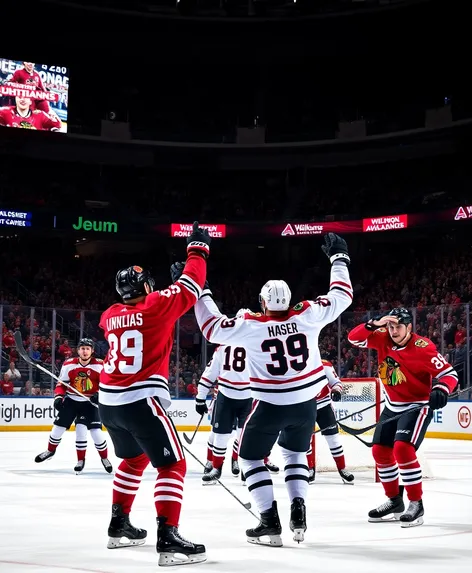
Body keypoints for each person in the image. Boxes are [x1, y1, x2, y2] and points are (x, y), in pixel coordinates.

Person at [177, 233, 353, 546]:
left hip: (268, 405)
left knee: (249, 458)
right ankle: (298, 508)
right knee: (295, 454)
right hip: (305, 404)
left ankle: (269, 521)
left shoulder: (250, 325)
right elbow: (342, 295)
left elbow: (211, 327)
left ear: (262, 302)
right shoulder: (308, 314)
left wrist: (200, 290)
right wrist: (339, 258)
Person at [98, 222, 210, 566]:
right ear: (146, 285)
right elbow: (192, 284)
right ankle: (168, 537)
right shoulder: (157, 304)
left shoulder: (109, 314)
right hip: (141, 399)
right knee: (173, 464)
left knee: (133, 460)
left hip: (109, 402)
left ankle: (119, 525)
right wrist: (197, 248)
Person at [348, 308, 458, 527]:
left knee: (402, 449)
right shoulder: (382, 338)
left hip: (417, 406)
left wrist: (442, 389)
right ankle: (394, 501)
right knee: (380, 451)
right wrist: (374, 324)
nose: (393, 330)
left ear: (409, 327)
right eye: (390, 326)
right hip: (392, 405)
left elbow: (449, 374)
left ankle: (416, 504)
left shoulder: (423, 348)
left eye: (398, 326)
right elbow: (354, 338)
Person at [34, 338, 112, 474]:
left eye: (88, 348)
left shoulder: (100, 365)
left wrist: (99, 393)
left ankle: (104, 458)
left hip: (90, 403)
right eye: (82, 348)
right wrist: (58, 397)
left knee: (96, 433)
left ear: (92, 351)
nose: (85, 351)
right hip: (71, 400)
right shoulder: (69, 364)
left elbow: (107, 384)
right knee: (57, 429)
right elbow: (61, 384)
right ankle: (50, 451)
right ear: (78, 350)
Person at [306, 359, 354, 484]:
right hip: (304, 407)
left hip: (324, 406)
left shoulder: (324, 364)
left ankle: (342, 469)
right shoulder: (296, 364)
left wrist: (336, 390)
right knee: (306, 441)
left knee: (333, 439)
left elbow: (335, 382)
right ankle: (309, 469)